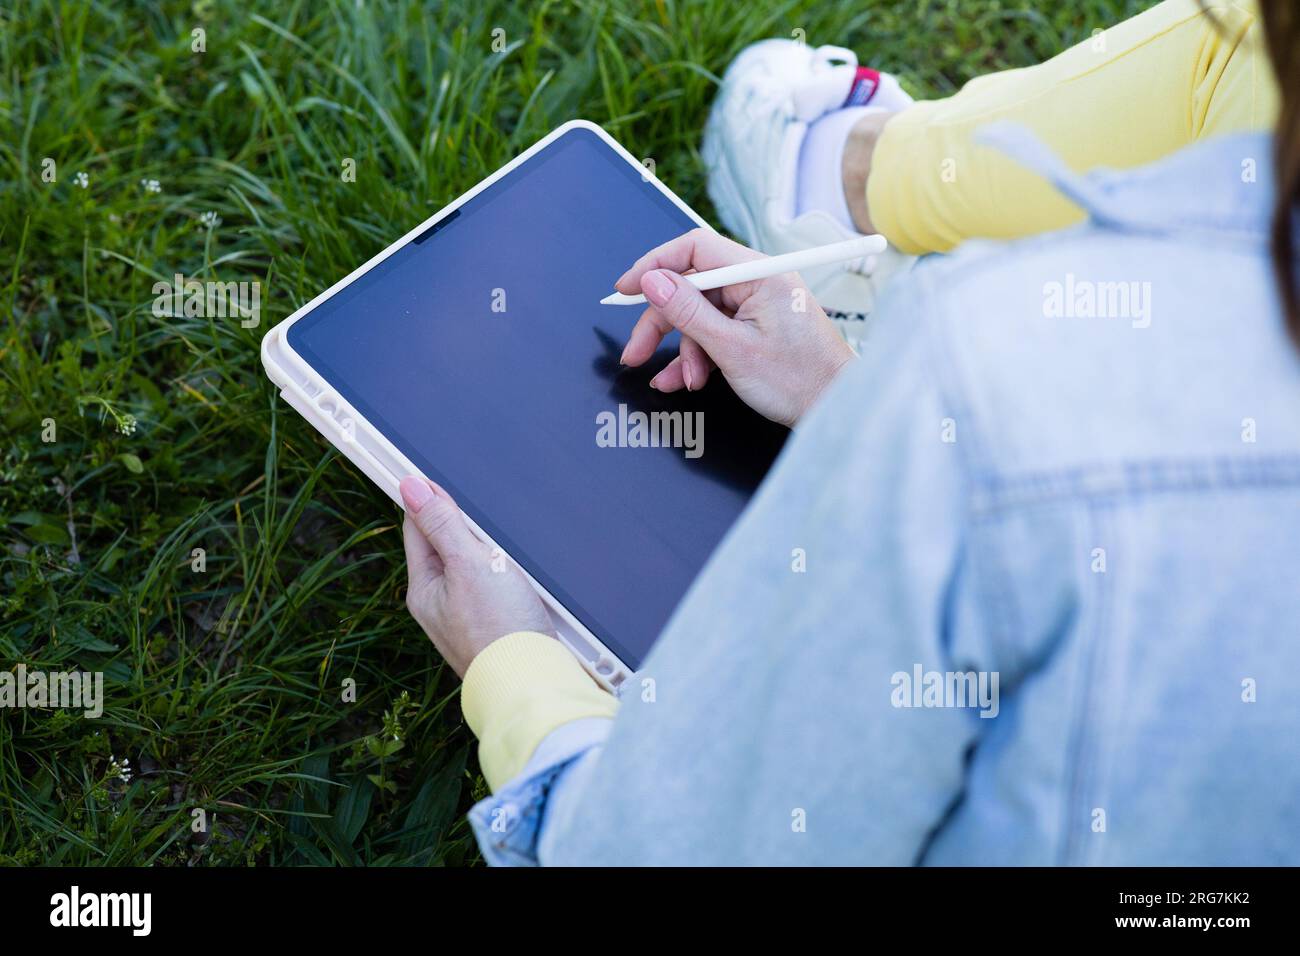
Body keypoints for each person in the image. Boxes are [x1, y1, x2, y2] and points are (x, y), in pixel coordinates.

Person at [398, 0, 1300, 864]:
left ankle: (849, 175)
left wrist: (515, 671)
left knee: (1239, 46)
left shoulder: (998, 378)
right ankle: (859, 181)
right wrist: (844, 397)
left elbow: (653, 851)